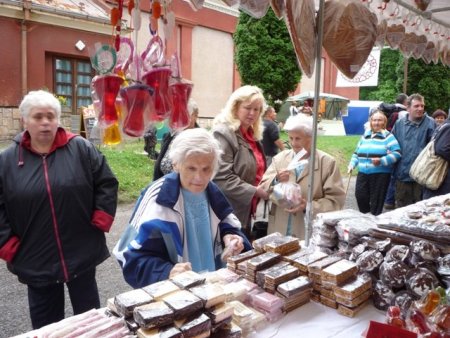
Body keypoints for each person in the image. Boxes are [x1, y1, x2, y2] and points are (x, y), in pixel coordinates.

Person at [0, 90, 118, 329]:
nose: (45, 122)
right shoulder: (7, 161)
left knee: (91, 322)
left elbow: (106, 182)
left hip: (81, 249)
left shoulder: (81, 149)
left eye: (51, 116)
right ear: (24, 120)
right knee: (47, 327)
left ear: (58, 119)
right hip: (35, 256)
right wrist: (6, 243)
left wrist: (101, 218)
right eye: (38, 116)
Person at [113, 128, 251, 288]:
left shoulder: (213, 192)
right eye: (191, 168)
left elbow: (228, 226)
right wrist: (167, 272)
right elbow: (129, 258)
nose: (199, 178)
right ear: (176, 164)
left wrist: (231, 237)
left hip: (214, 289)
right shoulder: (158, 198)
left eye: (206, 169)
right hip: (177, 296)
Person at [258, 114, 345, 240]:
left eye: (298, 138)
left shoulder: (327, 163)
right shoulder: (280, 159)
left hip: (309, 233)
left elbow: (336, 201)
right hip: (279, 229)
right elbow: (263, 188)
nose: (293, 143)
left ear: (311, 138)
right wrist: (276, 181)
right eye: (290, 138)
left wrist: (309, 206)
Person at [212, 85, 269, 238]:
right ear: (235, 106)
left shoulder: (251, 134)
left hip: (247, 210)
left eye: (257, 109)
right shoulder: (224, 133)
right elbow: (221, 177)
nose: (252, 113)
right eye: (248, 108)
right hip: (229, 212)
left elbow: (257, 167)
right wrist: (255, 191)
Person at [348, 111, 402, 215]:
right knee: (360, 196)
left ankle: (373, 223)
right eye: (374, 120)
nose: (376, 123)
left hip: (380, 174)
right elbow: (356, 153)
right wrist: (352, 164)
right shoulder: (365, 136)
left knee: (376, 202)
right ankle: (366, 217)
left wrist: (382, 161)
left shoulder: (388, 136)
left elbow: (397, 153)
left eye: (379, 120)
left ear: (384, 122)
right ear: (370, 122)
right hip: (363, 172)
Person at [391, 93, 435, 208]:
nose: (420, 108)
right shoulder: (399, 124)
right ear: (408, 107)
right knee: (403, 211)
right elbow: (392, 145)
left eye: (422, 106)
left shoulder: (431, 123)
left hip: (422, 177)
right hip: (402, 175)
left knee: (423, 211)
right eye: (416, 106)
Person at [153, 98, 199, 180]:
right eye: (179, 114)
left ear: (195, 116)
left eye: (187, 114)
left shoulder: (200, 140)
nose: (182, 118)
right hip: (164, 187)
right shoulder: (170, 136)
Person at [383, 93, 408, 209]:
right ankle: (391, 200)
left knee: (390, 175)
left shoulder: (389, 111)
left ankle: (387, 200)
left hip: (386, 146)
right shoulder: (403, 114)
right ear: (405, 102)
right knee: (396, 176)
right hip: (398, 147)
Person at [423, 117, 450, 199]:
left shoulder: (445, 125)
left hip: (438, 175)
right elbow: (441, 149)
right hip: (441, 176)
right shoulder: (448, 127)